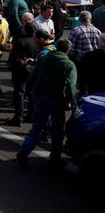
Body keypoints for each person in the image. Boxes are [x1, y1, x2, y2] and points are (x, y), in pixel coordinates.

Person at [16, 39, 77, 170]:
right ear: (68, 50)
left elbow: (34, 75)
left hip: (40, 96)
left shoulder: (44, 58)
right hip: (56, 99)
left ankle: (23, 152)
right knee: (57, 130)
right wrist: (70, 101)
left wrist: (31, 91)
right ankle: (55, 158)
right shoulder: (68, 64)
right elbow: (71, 86)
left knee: (37, 127)